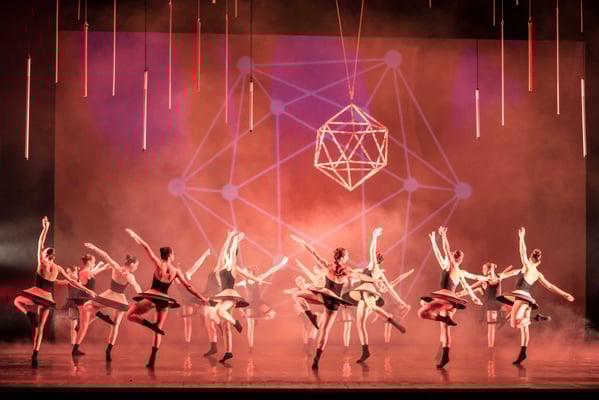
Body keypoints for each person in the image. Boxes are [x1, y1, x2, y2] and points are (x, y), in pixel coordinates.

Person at [13, 217, 96, 367]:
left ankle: (29, 314)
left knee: (17, 301)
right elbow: (72, 282)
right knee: (40, 328)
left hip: (36, 293)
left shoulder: (42, 263)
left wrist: (45, 228)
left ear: (45, 255)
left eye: (44, 252)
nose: (42, 253)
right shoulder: (58, 268)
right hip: (47, 298)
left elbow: (40, 243)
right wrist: (86, 289)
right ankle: (35, 354)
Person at [125, 228, 208, 368]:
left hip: (152, 296)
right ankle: (152, 358)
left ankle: (150, 325)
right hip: (163, 299)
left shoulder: (158, 264)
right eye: (173, 253)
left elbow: (146, 247)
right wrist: (202, 298)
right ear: (170, 255)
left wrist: (134, 235)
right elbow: (188, 286)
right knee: (158, 329)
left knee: (129, 315)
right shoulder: (176, 271)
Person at [497, 227, 574, 365]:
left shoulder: (527, 266)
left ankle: (536, 318)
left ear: (530, 259)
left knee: (514, 324)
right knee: (524, 328)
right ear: (539, 262)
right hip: (528, 301)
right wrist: (564, 294)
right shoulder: (537, 273)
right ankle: (523, 352)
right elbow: (550, 286)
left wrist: (521, 237)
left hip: (521, 298)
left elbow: (522, 251)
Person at [417, 227, 486, 368]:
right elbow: (468, 283)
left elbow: (445, 250)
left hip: (445, 298)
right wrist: (433, 242)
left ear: (454, 259)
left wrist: (443, 235)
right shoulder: (457, 271)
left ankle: (444, 320)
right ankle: (445, 356)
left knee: (422, 312)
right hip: (451, 303)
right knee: (444, 329)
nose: (446, 257)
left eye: (449, 256)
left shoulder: (452, 267)